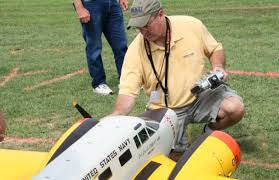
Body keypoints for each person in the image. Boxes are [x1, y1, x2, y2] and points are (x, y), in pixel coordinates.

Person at [111, 0, 245, 157]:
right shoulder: (135, 50)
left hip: (200, 96)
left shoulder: (191, 25)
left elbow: (215, 49)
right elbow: (127, 92)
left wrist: (218, 67)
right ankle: (177, 140)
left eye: (146, 25)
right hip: (166, 109)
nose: (143, 31)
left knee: (235, 108)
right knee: (170, 158)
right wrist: (117, 115)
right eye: (138, 27)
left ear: (160, 14)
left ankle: (209, 131)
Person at [73, 0, 128, 95]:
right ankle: (99, 83)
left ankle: (126, 80)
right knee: (94, 47)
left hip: (113, 4)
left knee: (121, 45)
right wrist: (79, 7)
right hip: (91, 4)